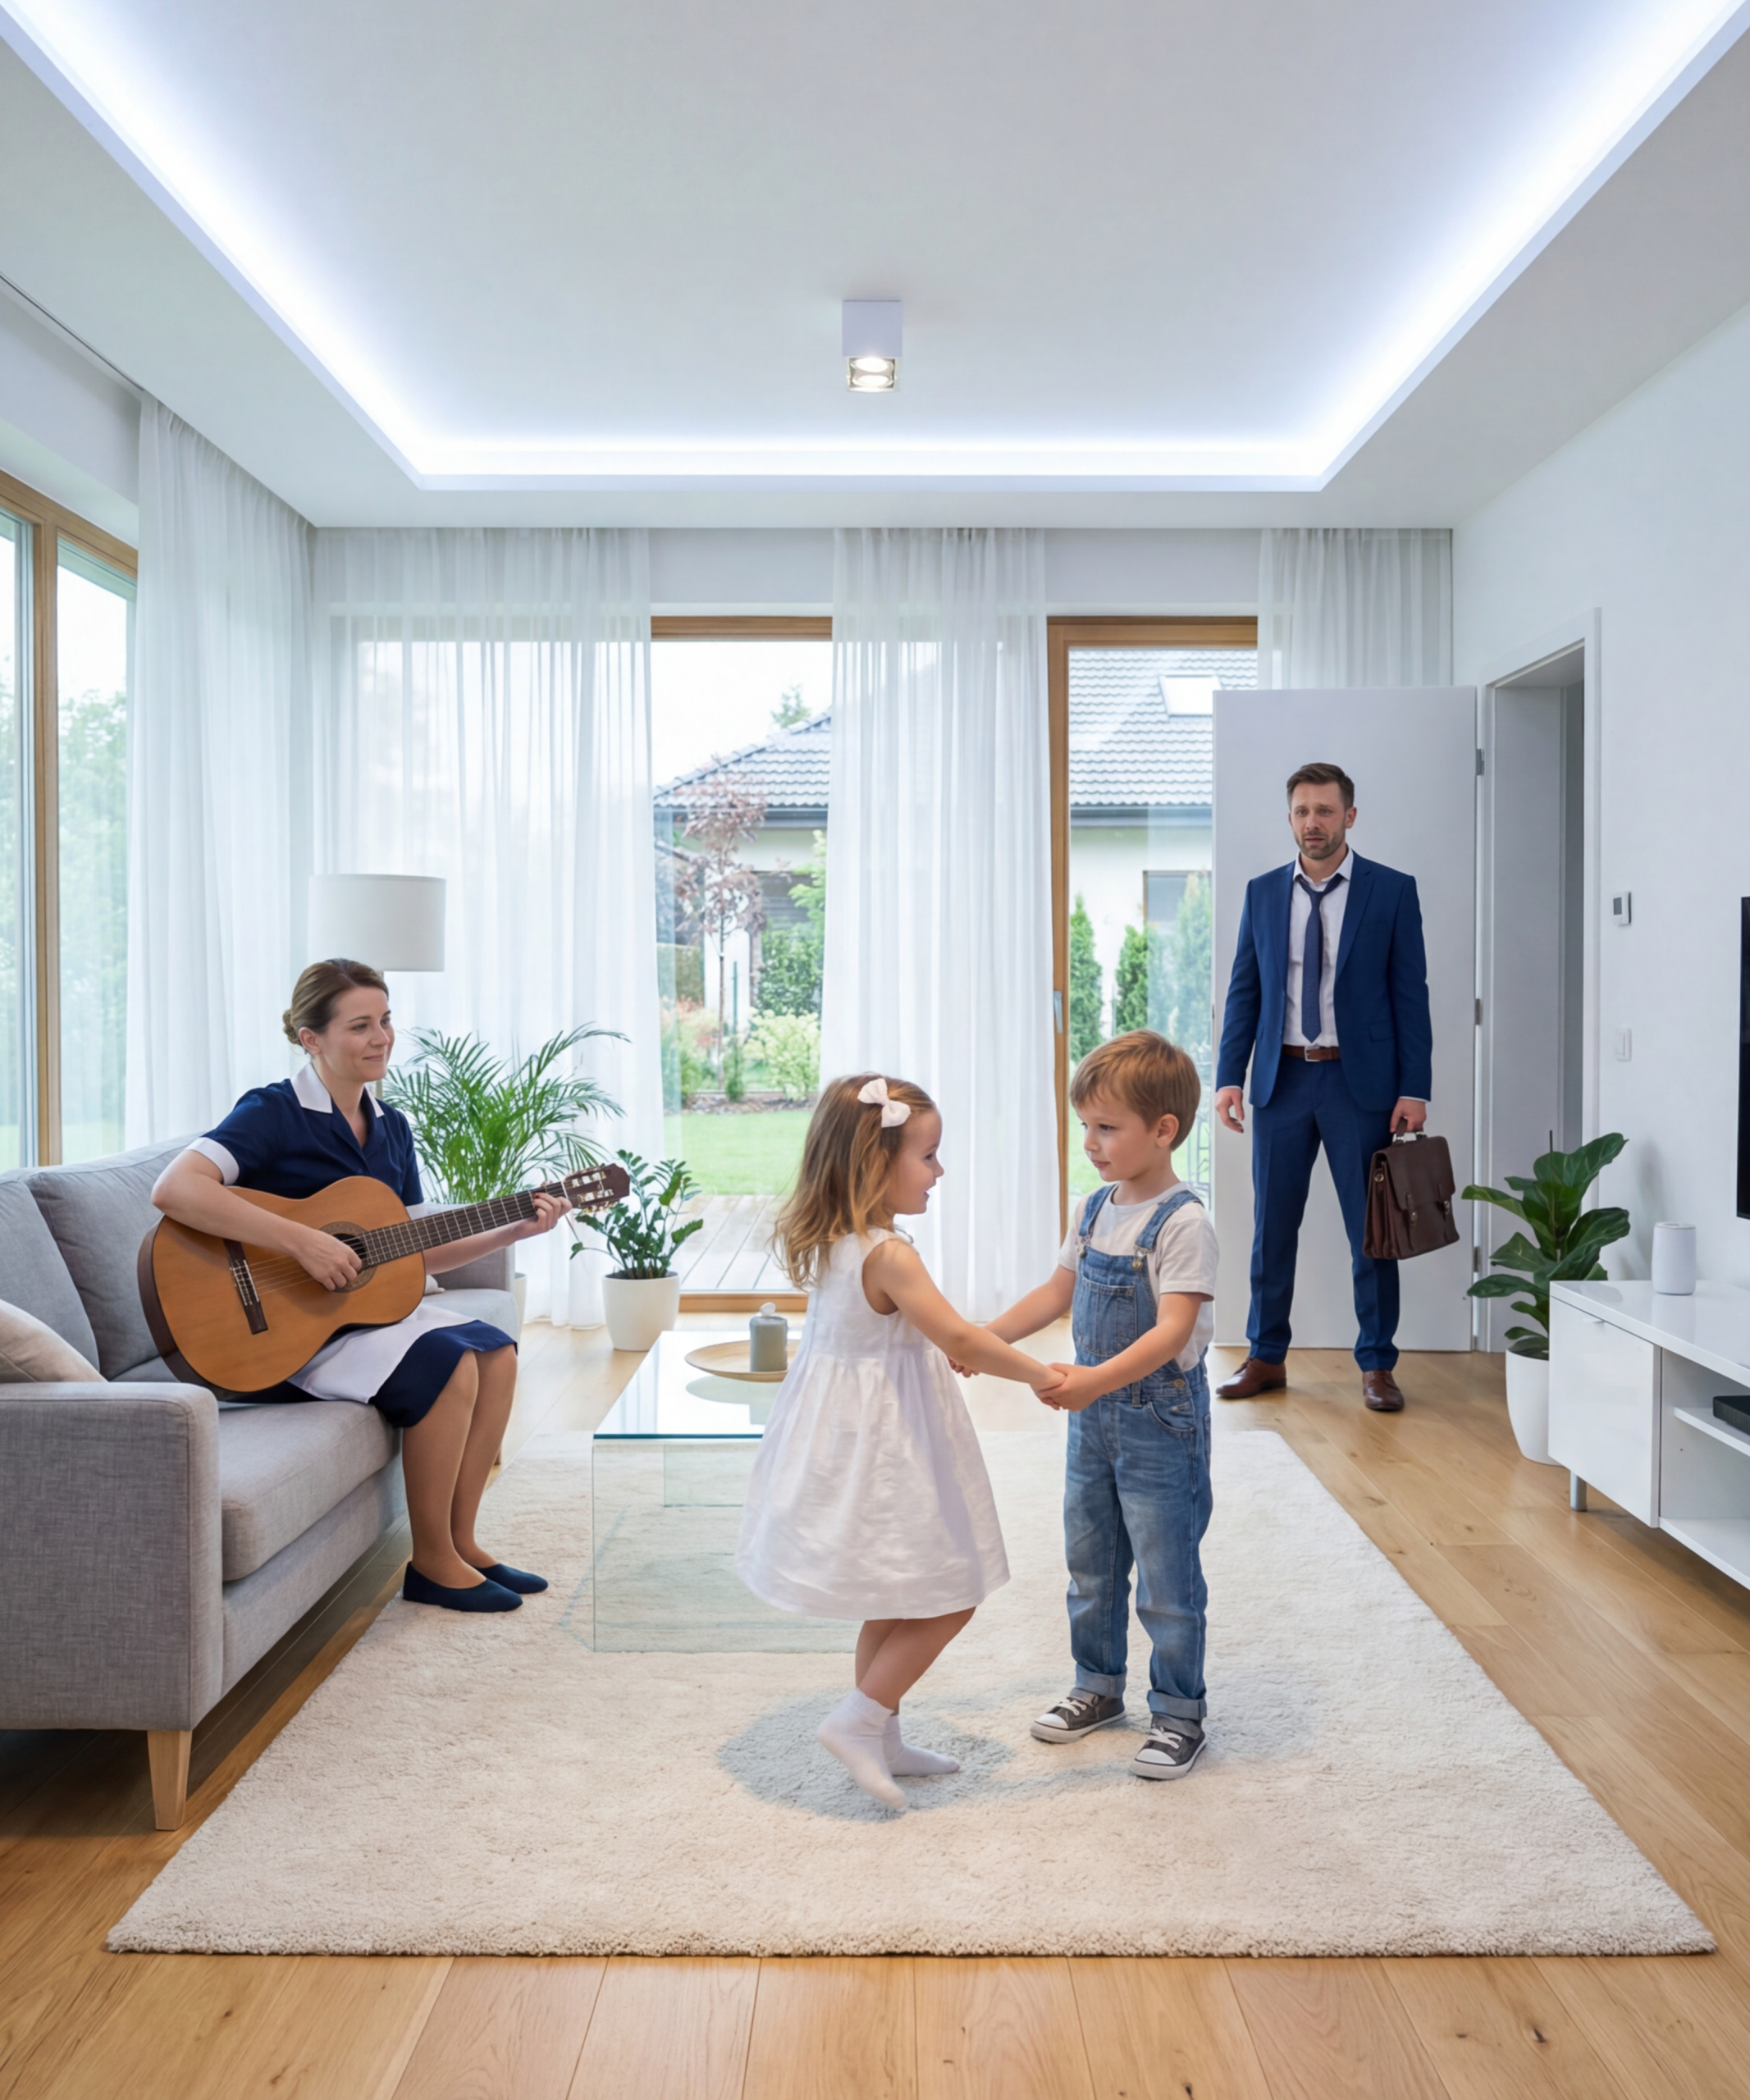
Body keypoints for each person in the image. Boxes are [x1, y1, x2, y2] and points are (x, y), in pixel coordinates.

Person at [151, 959, 574, 1614]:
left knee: (496, 1352)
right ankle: (430, 1563)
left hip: (348, 1324)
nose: (381, 1038)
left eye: (385, 1020)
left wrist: (511, 1231)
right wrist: (302, 1241)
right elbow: (175, 1189)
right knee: (452, 1363)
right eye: (359, 1026)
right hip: (274, 1338)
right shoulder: (272, 1111)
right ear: (309, 1038)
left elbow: (411, 1248)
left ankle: (462, 1542)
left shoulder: (391, 1128)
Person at [735, 1072, 1065, 1812]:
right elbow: (954, 1336)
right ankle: (856, 1721)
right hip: (890, 1445)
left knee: (890, 1592)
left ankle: (879, 1731)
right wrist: (1043, 1375)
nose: (939, 1171)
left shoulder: (833, 1239)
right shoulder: (891, 1255)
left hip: (844, 1433)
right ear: (873, 1162)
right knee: (954, 1588)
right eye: (928, 1156)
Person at [976, 1031, 1218, 1779]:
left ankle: (1178, 1713)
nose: (1090, 1142)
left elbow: (1173, 1328)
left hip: (1158, 1418)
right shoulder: (1093, 1209)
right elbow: (1055, 1293)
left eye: (1106, 1128)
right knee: (1091, 1561)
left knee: (1165, 1576)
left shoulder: (1183, 1223)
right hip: (1093, 1420)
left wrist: (1093, 1379)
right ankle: (1097, 1687)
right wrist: (984, 1336)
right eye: (1084, 1125)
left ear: (1163, 1130)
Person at [1213, 761, 1432, 1413]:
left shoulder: (1390, 891)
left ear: (1349, 817)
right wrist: (1229, 1076)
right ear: (1290, 819)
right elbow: (1244, 991)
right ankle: (1265, 1355)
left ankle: (1376, 1363)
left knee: (1372, 1233)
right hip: (1280, 1081)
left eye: (1325, 811)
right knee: (1270, 1228)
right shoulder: (1260, 893)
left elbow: (1409, 997)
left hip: (1358, 1085)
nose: (1313, 823)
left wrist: (1413, 1087)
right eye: (1302, 812)